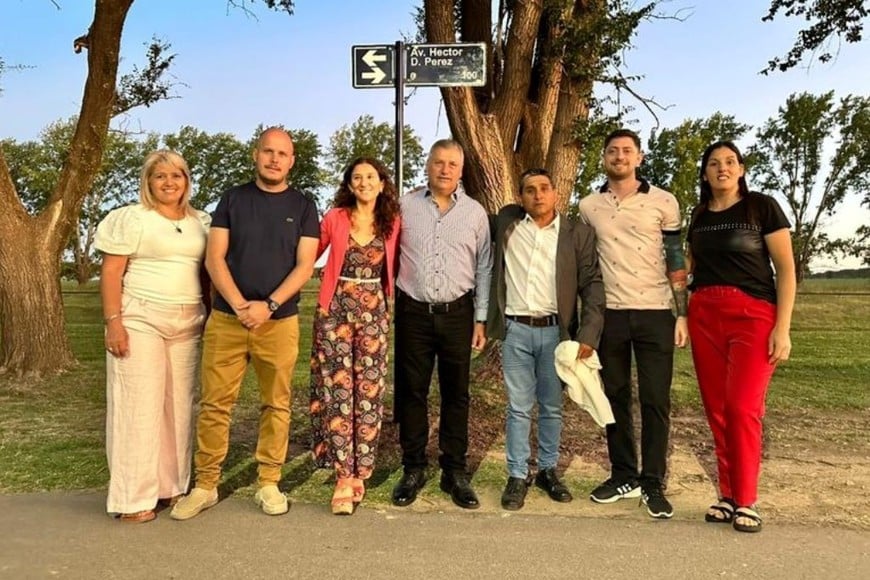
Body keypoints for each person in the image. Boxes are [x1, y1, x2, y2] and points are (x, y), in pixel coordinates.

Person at [171, 127, 319, 520]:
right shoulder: (233, 199)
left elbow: (306, 265)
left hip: (280, 321)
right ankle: (205, 485)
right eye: (268, 151)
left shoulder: (304, 206)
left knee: (277, 404)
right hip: (227, 320)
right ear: (256, 155)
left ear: (292, 160)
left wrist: (268, 305)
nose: (274, 159)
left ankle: (268, 481)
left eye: (282, 153)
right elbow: (215, 258)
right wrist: (239, 305)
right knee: (216, 404)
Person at [578, 128, 689, 519]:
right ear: (604, 158)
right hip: (611, 315)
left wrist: (682, 314)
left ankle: (653, 480)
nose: (620, 156)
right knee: (615, 397)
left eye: (627, 151)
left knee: (655, 400)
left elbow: (676, 259)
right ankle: (623, 473)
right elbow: (587, 264)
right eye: (612, 151)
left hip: (657, 312)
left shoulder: (663, 201)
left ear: (639, 157)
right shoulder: (588, 206)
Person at [95, 150, 210, 523]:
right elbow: (111, 272)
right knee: (138, 407)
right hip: (140, 317)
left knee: (178, 406)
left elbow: (208, 272)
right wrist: (114, 322)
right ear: (148, 182)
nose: (169, 182)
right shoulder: (133, 219)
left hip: (188, 319)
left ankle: (171, 486)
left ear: (186, 181)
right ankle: (132, 498)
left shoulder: (200, 222)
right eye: (160, 176)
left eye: (176, 175)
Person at [687, 141, 795, 534]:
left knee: (741, 407)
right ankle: (728, 494)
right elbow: (693, 269)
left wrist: (782, 328)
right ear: (704, 174)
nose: (722, 168)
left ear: (742, 169)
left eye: (730, 162)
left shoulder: (761, 207)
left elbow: (786, 270)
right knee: (716, 408)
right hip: (704, 314)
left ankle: (748, 500)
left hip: (752, 315)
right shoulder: (698, 215)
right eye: (713, 163)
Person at [487, 168, 606, 511]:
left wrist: (588, 333)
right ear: (520, 197)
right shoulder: (507, 225)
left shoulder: (577, 234)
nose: (537, 195)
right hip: (516, 331)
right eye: (529, 190)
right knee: (519, 407)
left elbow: (593, 285)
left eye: (544, 188)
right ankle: (517, 474)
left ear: (556, 194)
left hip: (557, 332)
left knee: (552, 407)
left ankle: (548, 470)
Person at [391, 139, 493, 510]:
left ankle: (455, 471)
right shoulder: (404, 206)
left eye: (452, 164)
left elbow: (484, 267)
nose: (445, 169)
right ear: (428, 165)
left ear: (461, 170)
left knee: (456, 394)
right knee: (412, 391)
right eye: (438, 163)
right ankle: (413, 467)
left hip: (458, 314)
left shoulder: (476, 214)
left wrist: (480, 319)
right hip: (414, 312)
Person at [309, 157, 401, 515]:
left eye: (370, 177)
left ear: (382, 184)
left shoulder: (392, 222)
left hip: (374, 313)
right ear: (349, 185)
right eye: (356, 177)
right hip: (335, 312)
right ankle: (342, 476)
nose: (363, 182)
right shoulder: (335, 218)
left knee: (369, 390)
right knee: (338, 389)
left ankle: (362, 469)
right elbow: (308, 254)